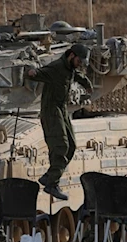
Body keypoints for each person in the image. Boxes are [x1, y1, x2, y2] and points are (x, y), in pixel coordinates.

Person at [26, 43, 93, 200]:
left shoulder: (68, 68)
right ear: (71, 56)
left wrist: (86, 84)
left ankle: (49, 177)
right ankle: (52, 183)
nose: (79, 64)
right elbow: (37, 74)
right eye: (78, 61)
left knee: (71, 146)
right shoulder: (56, 67)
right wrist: (32, 73)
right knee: (61, 145)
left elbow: (74, 75)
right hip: (51, 110)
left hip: (61, 108)